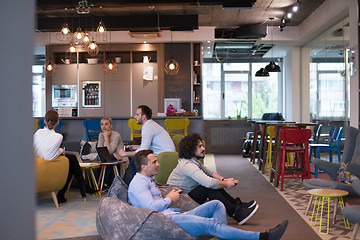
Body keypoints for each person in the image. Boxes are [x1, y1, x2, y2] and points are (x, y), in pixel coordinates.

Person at [128, 150, 288, 240]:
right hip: (167, 220)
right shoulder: (138, 183)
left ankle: (223, 233)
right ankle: (262, 237)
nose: (158, 164)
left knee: (217, 205)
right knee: (212, 224)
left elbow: (209, 174)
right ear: (143, 166)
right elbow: (151, 208)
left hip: (172, 214)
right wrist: (169, 198)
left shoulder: (147, 179)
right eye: (154, 162)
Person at [167, 133, 258, 225]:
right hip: (180, 202)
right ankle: (236, 212)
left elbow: (210, 173)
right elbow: (209, 183)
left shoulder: (193, 161)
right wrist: (226, 184)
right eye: (200, 146)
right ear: (190, 150)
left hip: (186, 196)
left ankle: (236, 205)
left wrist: (224, 180)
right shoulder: (188, 165)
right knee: (208, 187)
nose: (203, 148)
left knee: (212, 184)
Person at [33, 110, 96, 203]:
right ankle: (82, 186)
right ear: (58, 122)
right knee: (71, 160)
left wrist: (59, 151)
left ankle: (74, 189)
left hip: (36, 166)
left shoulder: (38, 132)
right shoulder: (58, 136)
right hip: (47, 167)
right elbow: (49, 156)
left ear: (45, 121)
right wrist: (61, 150)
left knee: (71, 159)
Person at [97, 117, 129, 188]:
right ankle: (102, 183)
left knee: (107, 158)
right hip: (112, 156)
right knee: (100, 157)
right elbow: (100, 150)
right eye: (102, 124)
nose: (104, 126)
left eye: (106, 124)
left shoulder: (116, 135)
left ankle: (105, 184)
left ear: (111, 126)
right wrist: (113, 153)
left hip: (120, 158)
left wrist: (106, 138)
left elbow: (109, 151)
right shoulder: (100, 135)